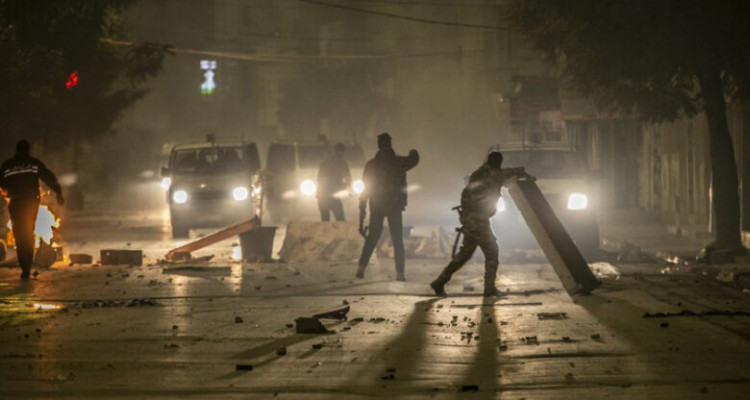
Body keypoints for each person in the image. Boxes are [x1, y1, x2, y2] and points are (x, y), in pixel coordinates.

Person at [429, 151, 527, 297]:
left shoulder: (478, 173)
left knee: (464, 255)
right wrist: (522, 171)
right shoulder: (492, 174)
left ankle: (439, 282)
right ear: (497, 163)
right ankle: (489, 289)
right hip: (478, 220)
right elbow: (507, 173)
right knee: (492, 251)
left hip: (470, 218)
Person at [356, 132, 419, 281]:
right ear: (390, 144)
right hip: (395, 206)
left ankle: (361, 268)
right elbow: (414, 160)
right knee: (397, 239)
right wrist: (413, 152)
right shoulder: (398, 162)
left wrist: (362, 207)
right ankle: (400, 273)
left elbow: (366, 188)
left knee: (372, 238)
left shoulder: (371, 165)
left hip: (376, 206)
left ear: (378, 145)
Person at [0, 140, 64, 279]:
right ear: (28, 150)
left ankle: (24, 266)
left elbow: (1, 183)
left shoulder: (8, 165)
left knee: (19, 234)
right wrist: (58, 192)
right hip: (31, 202)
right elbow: (48, 177)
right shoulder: (34, 164)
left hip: (16, 202)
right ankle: (27, 266)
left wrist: (7, 192)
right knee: (28, 232)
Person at [316, 143, 352, 221]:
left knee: (325, 220)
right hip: (333, 194)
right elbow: (348, 178)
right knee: (340, 219)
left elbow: (319, 178)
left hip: (322, 194)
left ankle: (327, 233)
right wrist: (344, 186)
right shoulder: (342, 162)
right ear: (343, 152)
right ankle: (340, 233)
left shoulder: (325, 162)